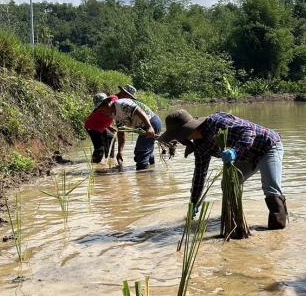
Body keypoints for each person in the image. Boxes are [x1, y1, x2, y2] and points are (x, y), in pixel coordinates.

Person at [158, 109, 287, 230]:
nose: (178, 140)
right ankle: (234, 221)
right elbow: (199, 175)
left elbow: (249, 131)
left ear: (184, 132)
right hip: (246, 156)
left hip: (267, 147)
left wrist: (235, 152)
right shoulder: (200, 146)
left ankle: (277, 229)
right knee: (228, 183)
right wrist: (194, 202)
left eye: (177, 136)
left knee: (270, 188)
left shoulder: (216, 122)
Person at [113, 85, 163, 170]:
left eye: (125, 94)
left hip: (151, 123)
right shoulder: (117, 109)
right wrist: (120, 152)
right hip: (150, 124)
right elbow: (121, 132)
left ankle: (143, 175)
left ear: (129, 97)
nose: (119, 95)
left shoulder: (126, 104)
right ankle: (151, 172)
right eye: (121, 92)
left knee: (141, 152)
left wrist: (149, 127)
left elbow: (139, 112)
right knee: (148, 152)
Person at [84, 92, 116, 163]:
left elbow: (103, 120)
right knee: (100, 148)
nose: (103, 107)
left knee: (111, 137)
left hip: (101, 126)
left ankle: (110, 159)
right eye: (101, 106)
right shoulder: (98, 111)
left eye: (105, 103)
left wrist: (108, 126)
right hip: (92, 127)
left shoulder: (113, 103)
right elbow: (93, 120)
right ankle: (95, 164)